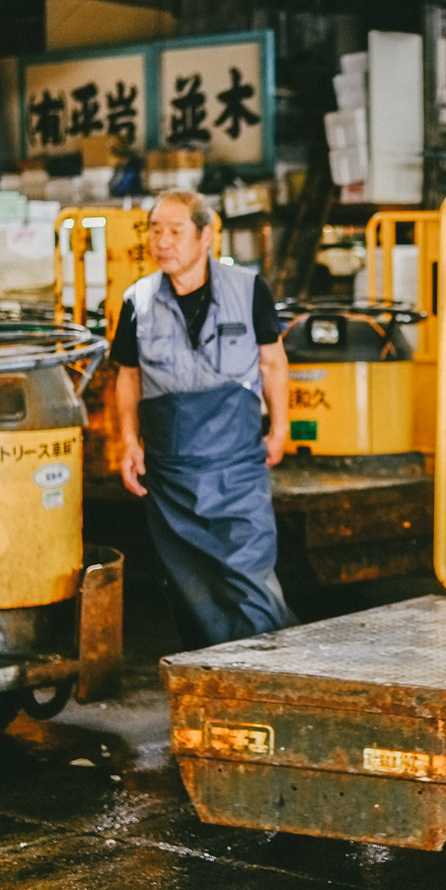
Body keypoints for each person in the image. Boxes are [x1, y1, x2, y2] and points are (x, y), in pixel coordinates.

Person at [111, 191, 296, 648]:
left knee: (247, 572)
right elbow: (128, 379)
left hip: (236, 466)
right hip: (170, 471)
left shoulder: (249, 289)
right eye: (155, 231)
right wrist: (129, 442)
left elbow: (273, 363)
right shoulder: (137, 301)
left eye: (175, 231)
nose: (162, 242)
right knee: (191, 582)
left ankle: (274, 674)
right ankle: (212, 679)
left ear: (206, 235)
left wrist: (280, 427)